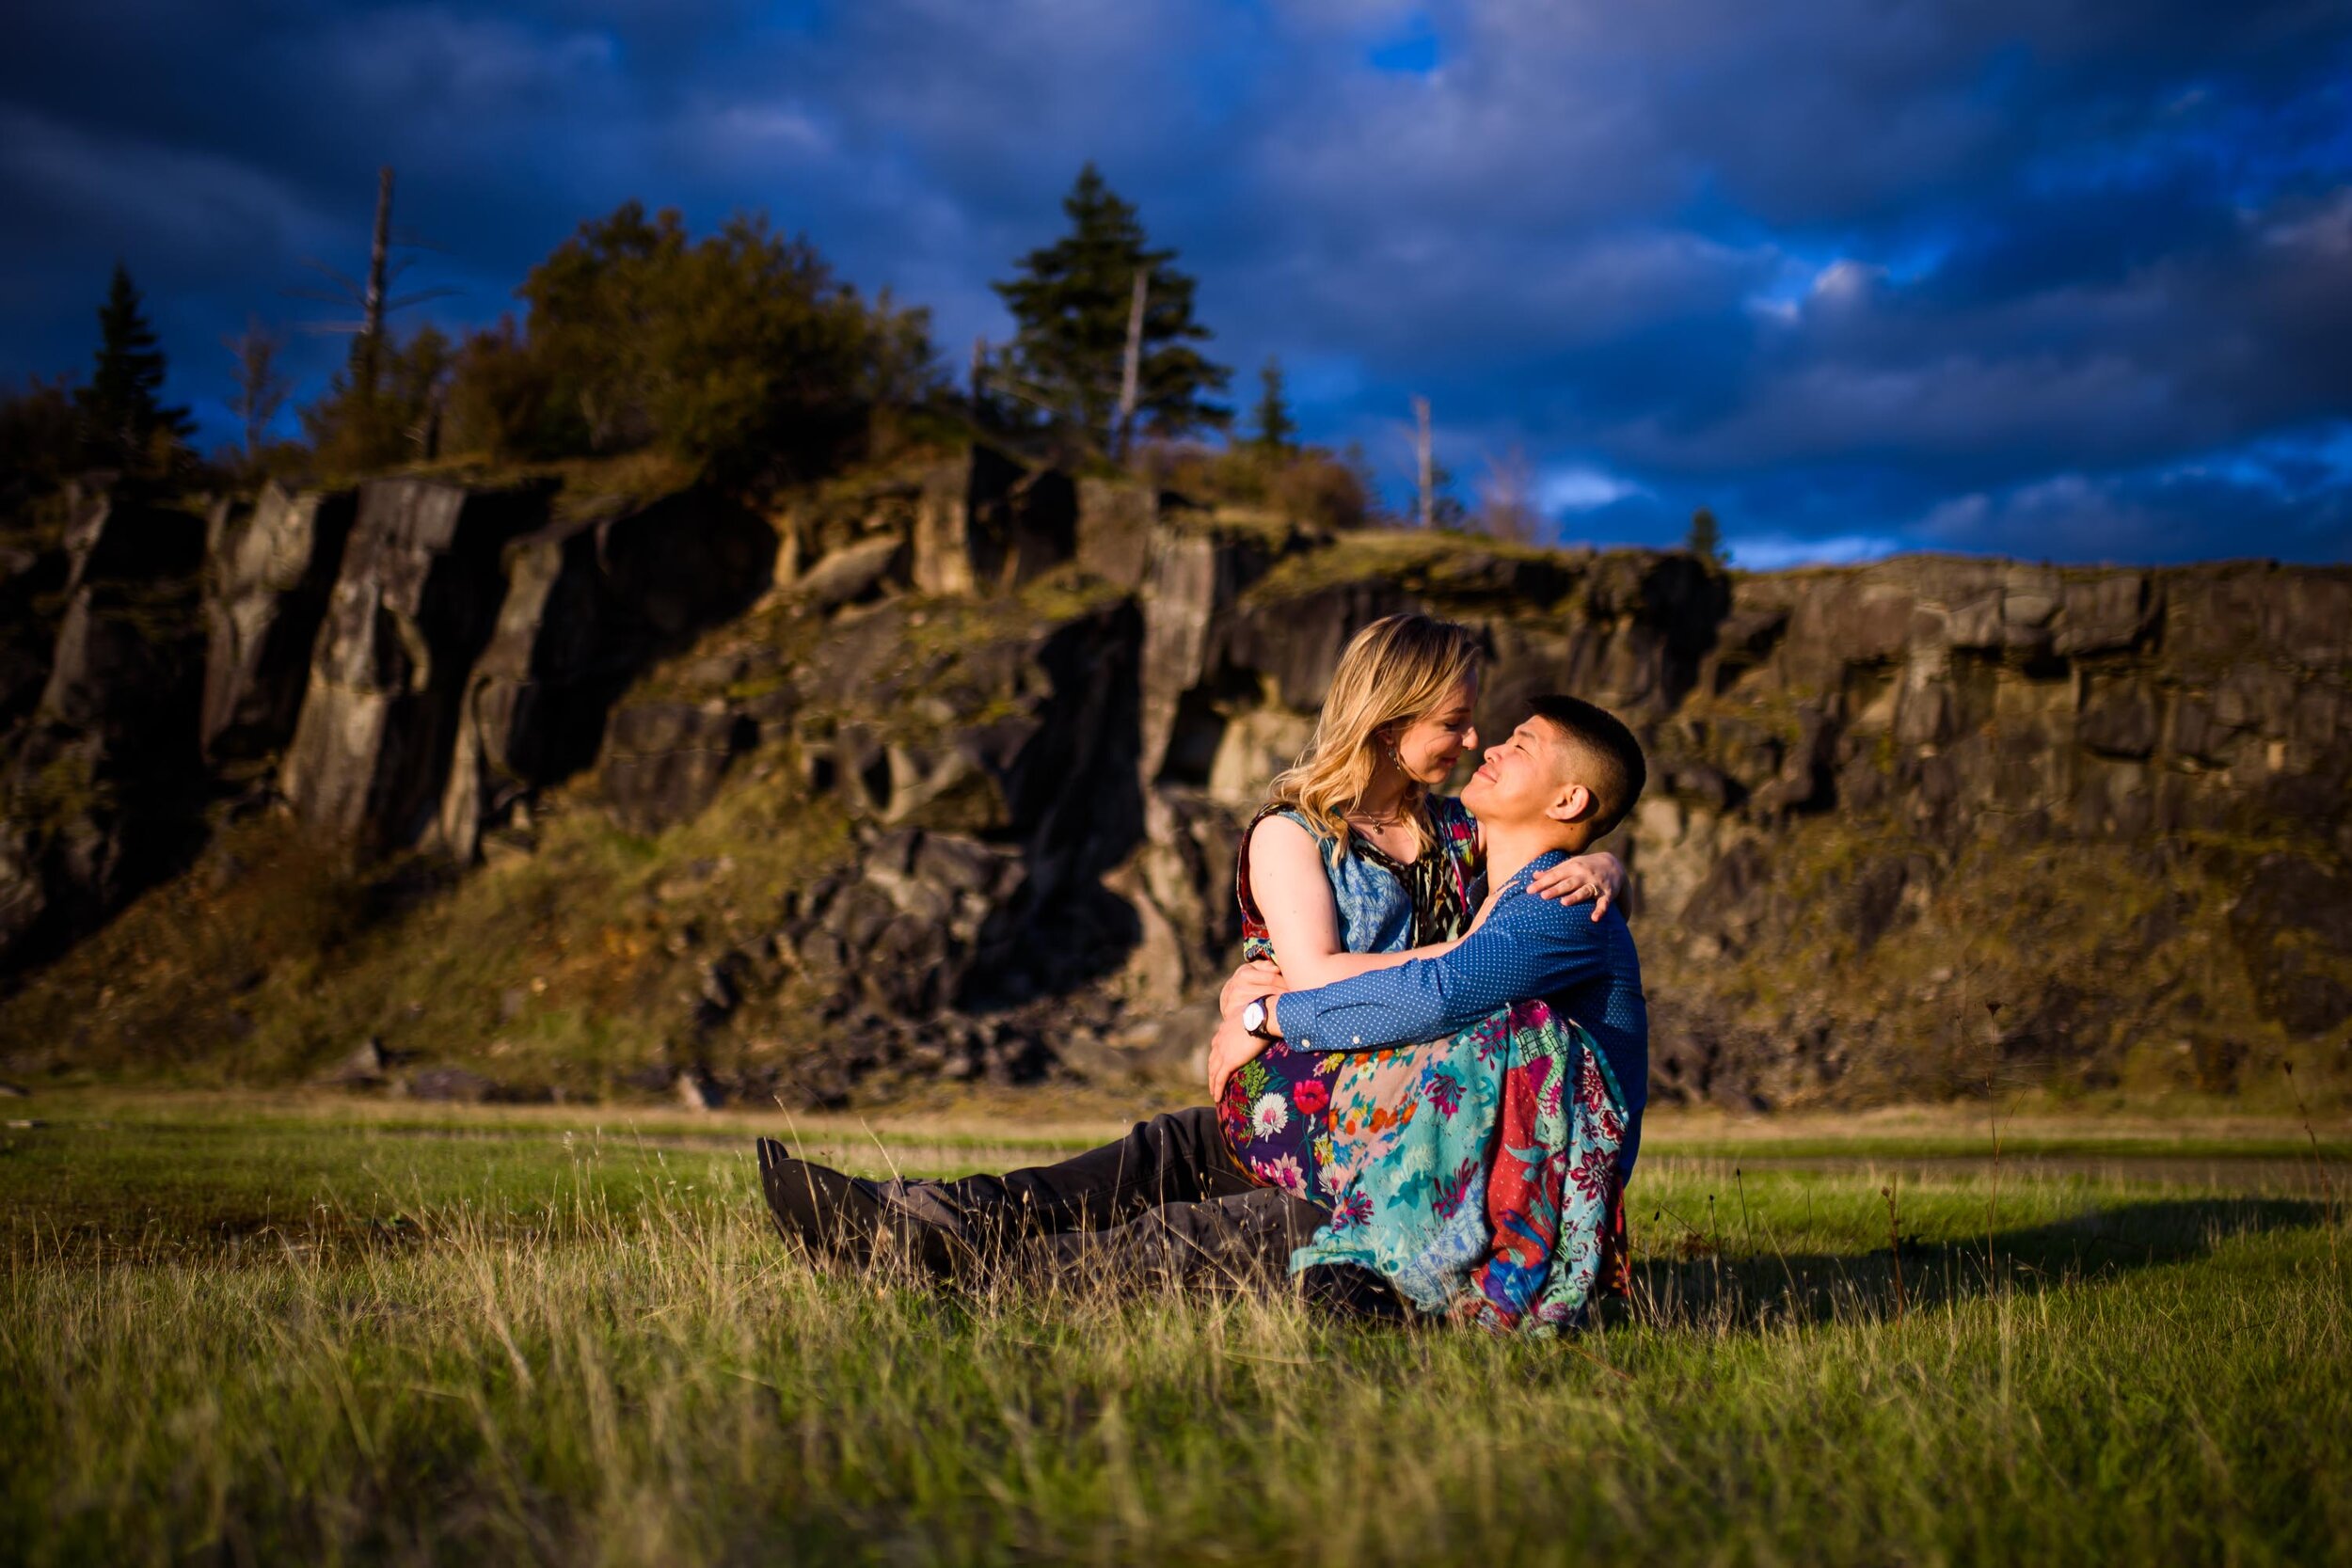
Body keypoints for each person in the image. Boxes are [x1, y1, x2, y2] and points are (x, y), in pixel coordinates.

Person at [758, 681, 1649, 1328]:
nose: (1487, 746)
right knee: (1184, 1145)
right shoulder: (1488, 865)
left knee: (1259, 1226)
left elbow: (1439, 992)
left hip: (1478, 1193)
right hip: (1419, 1147)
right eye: (1478, 730)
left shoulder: (1561, 903)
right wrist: (1254, 985)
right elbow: (1384, 843)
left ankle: (965, 1265)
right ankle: (929, 1214)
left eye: (1519, 746)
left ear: (1568, 799)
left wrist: (1271, 1021)